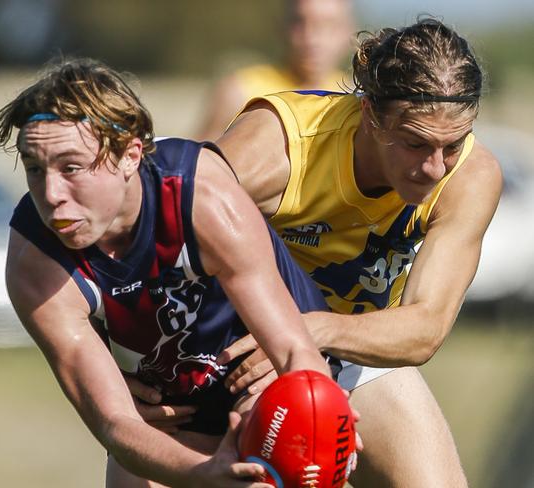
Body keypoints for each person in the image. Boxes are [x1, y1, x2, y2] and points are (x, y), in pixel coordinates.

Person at [132, 18, 502, 487]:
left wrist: (308, 332)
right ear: (370, 113)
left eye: (452, 144)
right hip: (224, 350)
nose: (434, 168)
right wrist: (116, 371)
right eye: (415, 143)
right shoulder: (279, 148)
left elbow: (424, 329)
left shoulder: (469, 174)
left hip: (345, 339)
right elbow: (134, 241)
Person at [0, 59, 353, 488]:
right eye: (34, 168)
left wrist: (322, 410)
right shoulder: (36, 259)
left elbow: (294, 352)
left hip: (278, 385)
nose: (50, 195)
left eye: (71, 167)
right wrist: (204, 473)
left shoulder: (199, 195)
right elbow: (118, 425)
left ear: (130, 155)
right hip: (170, 418)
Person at [196, 0, 354, 141]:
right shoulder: (239, 92)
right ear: (281, 27)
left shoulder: (354, 100)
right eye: (299, 22)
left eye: (326, 25)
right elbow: (197, 166)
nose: (310, 38)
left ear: (347, 32)